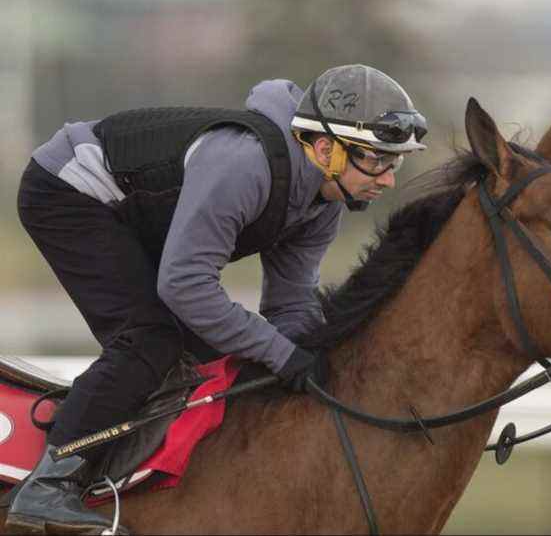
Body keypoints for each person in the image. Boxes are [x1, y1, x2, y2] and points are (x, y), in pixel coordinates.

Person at [8, 64, 427, 534]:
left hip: (130, 213)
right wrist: (280, 353)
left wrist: (315, 363)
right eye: (376, 160)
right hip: (67, 191)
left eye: (394, 163)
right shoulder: (244, 165)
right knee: (151, 341)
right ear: (326, 148)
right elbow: (184, 285)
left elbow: (290, 306)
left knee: (215, 358)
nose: (387, 179)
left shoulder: (322, 204)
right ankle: (48, 487)